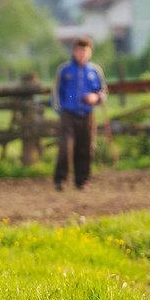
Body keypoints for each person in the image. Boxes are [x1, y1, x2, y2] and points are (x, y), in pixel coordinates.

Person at [51, 37, 107, 191]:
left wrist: (96, 97)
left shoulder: (95, 71)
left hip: (87, 115)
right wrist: (61, 110)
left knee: (86, 147)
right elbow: (56, 91)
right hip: (68, 114)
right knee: (65, 148)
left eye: (85, 50)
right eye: (79, 50)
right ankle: (60, 180)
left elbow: (103, 91)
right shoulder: (65, 70)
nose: (82, 53)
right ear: (74, 51)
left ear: (90, 52)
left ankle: (82, 181)